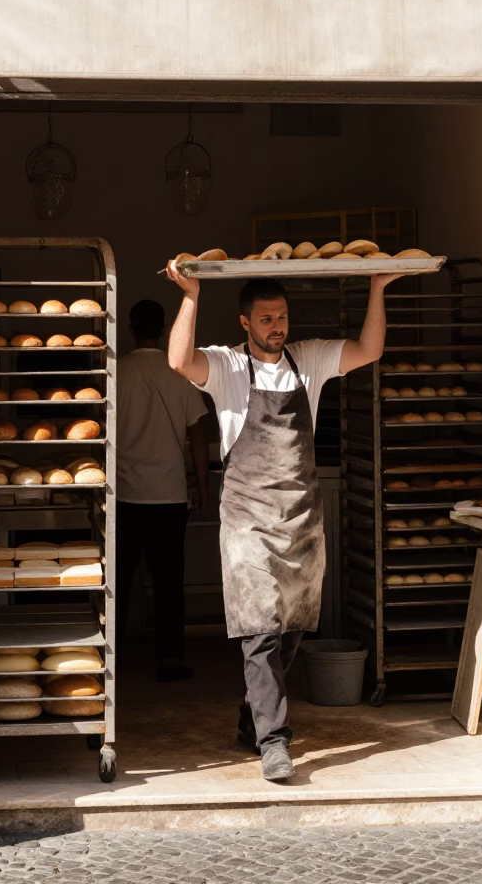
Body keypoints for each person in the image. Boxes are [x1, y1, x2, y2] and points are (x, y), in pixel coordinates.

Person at [166, 266, 398, 780]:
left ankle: (253, 715)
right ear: (245, 321)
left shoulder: (309, 359)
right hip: (248, 522)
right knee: (261, 629)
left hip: (300, 520)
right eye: (266, 319)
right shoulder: (227, 367)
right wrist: (190, 296)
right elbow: (179, 360)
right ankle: (276, 742)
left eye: (283, 317)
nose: (277, 327)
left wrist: (377, 288)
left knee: (290, 628)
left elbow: (370, 350)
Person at [116, 298, 209, 682]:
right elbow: (198, 433)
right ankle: (168, 659)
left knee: (117, 581)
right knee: (169, 581)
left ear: (131, 329)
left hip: (122, 494)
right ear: (165, 327)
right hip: (169, 494)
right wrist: (202, 484)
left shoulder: (114, 373)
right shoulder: (179, 374)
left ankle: (110, 660)